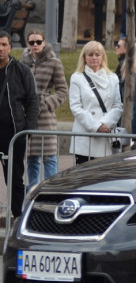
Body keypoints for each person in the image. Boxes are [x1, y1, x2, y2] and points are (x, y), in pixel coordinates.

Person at [0, 29, 39, 220]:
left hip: (13, 135)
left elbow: (33, 101)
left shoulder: (21, 70)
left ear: (10, 47)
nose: (0, 49)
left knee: (14, 180)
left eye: (4, 45)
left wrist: (26, 131)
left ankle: (19, 218)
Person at [22, 31, 67, 187]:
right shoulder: (23, 63)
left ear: (44, 42)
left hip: (45, 116)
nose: (35, 45)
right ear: (27, 44)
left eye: (38, 41)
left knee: (49, 157)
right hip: (27, 113)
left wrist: (48, 103)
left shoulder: (54, 62)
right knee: (31, 158)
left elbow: (62, 90)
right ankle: (32, 192)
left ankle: (50, 190)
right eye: (32, 42)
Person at [68, 40, 123, 164]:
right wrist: (96, 126)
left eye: (97, 55)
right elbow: (76, 107)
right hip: (85, 136)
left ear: (103, 56)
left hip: (106, 135)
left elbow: (117, 105)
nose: (94, 58)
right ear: (84, 57)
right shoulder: (77, 78)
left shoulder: (112, 78)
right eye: (90, 55)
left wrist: (105, 124)